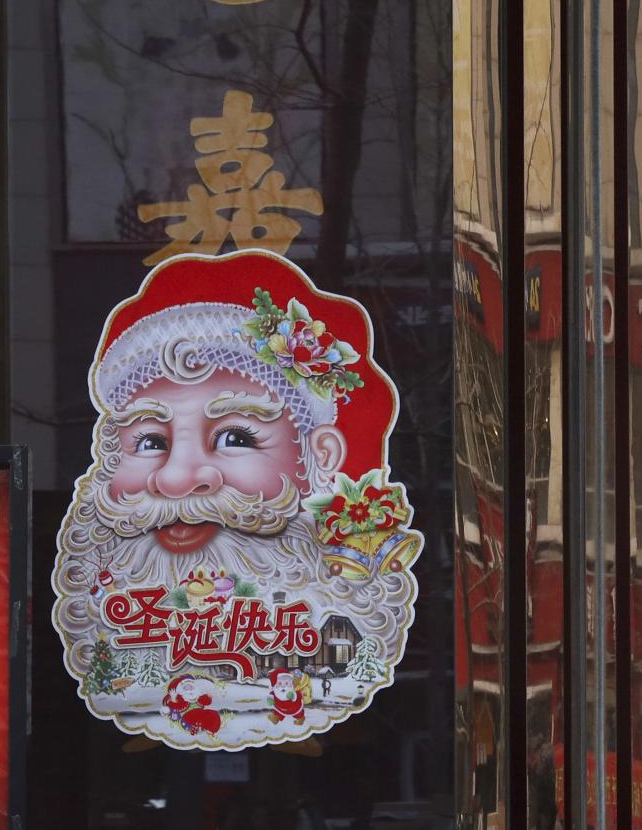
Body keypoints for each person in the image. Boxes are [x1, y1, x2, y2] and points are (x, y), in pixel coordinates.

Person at [50, 251, 421, 747]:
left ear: (320, 457)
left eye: (235, 437)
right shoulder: (105, 601)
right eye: (150, 442)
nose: (177, 480)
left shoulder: (345, 601)